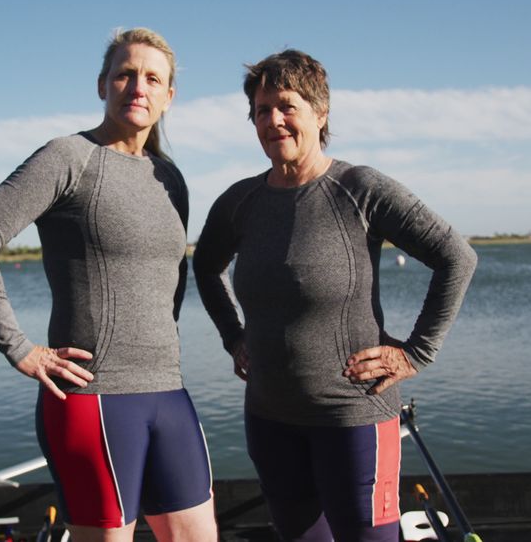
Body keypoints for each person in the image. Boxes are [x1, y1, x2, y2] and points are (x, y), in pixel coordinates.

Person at [192, 49, 477, 542]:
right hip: (269, 418)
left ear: (320, 114)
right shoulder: (240, 201)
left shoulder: (359, 188)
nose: (273, 120)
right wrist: (232, 337)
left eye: (286, 106)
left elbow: (457, 257)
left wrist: (415, 353)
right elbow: (205, 265)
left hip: (354, 418)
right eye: (261, 110)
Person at [0, 28, 217, 542]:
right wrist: (20, 349)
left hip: (168, 391)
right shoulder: (69, 157)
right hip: (93, 398)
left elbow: (172, 279)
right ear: (103, 85)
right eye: (125, 74)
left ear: (169, 96)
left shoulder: (171, 178)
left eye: (153, 78)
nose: (138, 87)